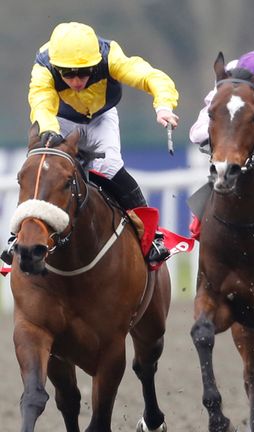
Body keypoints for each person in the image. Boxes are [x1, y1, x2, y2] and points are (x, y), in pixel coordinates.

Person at [9, 21, 179, 266]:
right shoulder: (44, 66)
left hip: (101, 117)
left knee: (110, 168)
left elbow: (148, 75)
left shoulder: (110, 56)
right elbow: (41, 104)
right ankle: (17, 237)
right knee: (45, 168)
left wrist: (163, 104)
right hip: (60, 120)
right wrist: (49, 130)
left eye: (84, 72)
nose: (76, 81)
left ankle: (153, 237)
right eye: (68, 74)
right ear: (57, 67)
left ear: (96, 62)